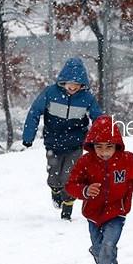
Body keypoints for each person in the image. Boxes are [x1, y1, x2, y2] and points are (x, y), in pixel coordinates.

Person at [65, 115, 133, 264]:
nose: (104, 152)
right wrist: (85, 190)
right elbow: (71, 185)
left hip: (116, 212)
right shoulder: (85, 162)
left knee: (107, 246)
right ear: (92, 146)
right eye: (99, 147)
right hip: (93, 214)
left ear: (117, 145)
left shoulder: (127, 160)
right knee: (98, 249)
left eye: (109, 147)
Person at [22, 57, 102, 221]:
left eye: (77, 85)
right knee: (54, 176)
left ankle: (68, 207)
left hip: (75, 144)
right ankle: (55, 191)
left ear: (83, 85)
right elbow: (34, 112)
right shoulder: (50, 93)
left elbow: (99, 119)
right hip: (53, 142)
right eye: (69, 84)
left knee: (70, 177)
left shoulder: (87, 98)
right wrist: (28, 136)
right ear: (63, 81)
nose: (73, 87)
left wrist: (101, 139)